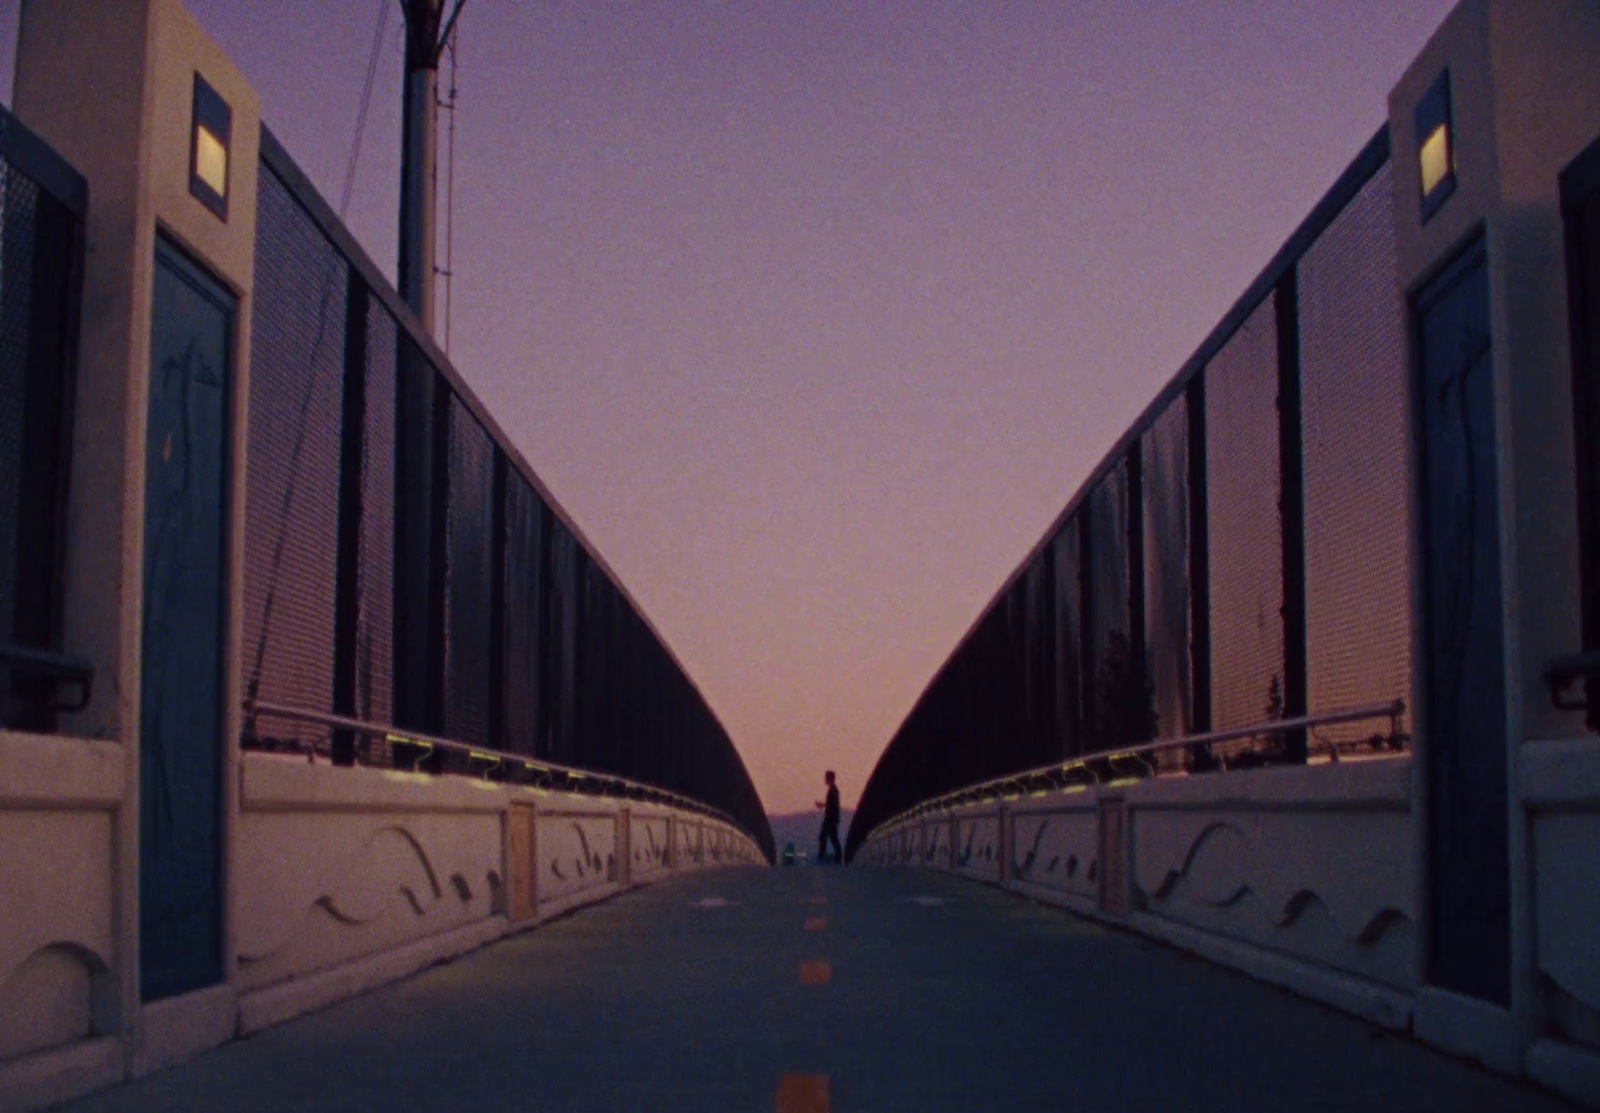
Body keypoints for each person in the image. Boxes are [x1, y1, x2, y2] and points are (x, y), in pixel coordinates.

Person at [814, 770, 842, 864]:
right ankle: (838, 857)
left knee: (823, 836)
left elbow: (831, 805)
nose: (825, 779)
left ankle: (822, 856)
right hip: (833, 818)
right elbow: (832, 805)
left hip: (830, 818)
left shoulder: (832, 790)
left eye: (826, 777)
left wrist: (822, 805)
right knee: (833, 838)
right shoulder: (834, 790)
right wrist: (823, 805)